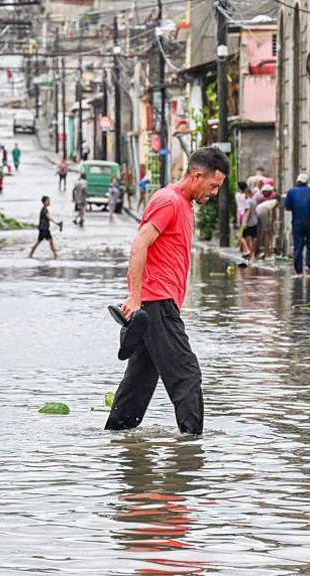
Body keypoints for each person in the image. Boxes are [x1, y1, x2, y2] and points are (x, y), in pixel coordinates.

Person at [105, 146, 229, 436]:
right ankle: (192, 447)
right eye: (213, 186)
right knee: (187, 375)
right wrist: (135, 296)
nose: (214, 193)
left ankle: (116, 437)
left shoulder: (183, 204)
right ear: (196, 176)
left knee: (139, 381)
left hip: (156, 305)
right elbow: (140, 244)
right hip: (157, 303)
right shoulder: (169, 201)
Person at [284, 171, 310, 275]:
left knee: (298, 244)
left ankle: (298, 269)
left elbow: (287, 207)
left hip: (297, 222)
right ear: (307, 182)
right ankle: (309, 264)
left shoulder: (291, 192)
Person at [255, 191, 279, 260]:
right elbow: (273, 213)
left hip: (257, 210)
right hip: (263, 211)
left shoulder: (268, 202)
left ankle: (256, 252)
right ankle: (267, 254)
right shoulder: (275, 202)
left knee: (259, 233)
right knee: (267, 233)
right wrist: (273, 221)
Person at [240, 191, 259, 259]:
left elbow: (248, 211)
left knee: (243, 237)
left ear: (247, 194)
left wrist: (245, 222)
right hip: (255, 221)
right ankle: (252, 254)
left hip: (249, 222)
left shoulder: (247, 201)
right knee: (254, 238)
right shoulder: (254, 201)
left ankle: (248, 250)